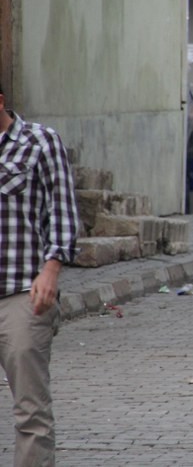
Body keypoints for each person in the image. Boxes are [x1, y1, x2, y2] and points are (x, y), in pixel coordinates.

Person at [0, 81, 79, 466]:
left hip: (21, 293)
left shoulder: (40, 142)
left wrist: (51, 270)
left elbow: (63, 214)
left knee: (30, 411)